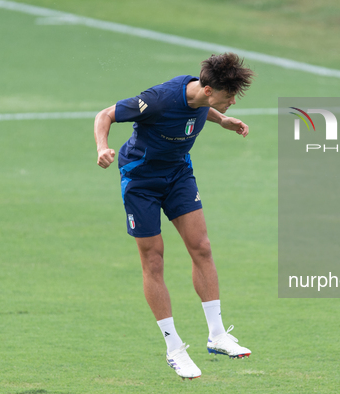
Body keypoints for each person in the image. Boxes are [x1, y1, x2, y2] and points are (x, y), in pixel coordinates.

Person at [93, 53, 255, 380]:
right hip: (141, 182)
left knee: (202, 247)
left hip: (179, 174)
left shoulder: (198, 94)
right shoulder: (158, 100)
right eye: (229, 96)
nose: (233, 101)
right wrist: (102, 147)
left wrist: (222, 120)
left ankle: (217, 335)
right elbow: (105, 115)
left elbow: (197, 108)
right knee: (154, 260)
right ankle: (174, 348)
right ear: (210, 90)